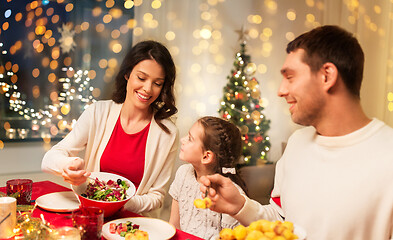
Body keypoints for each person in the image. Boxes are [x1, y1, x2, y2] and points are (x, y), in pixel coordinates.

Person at [199, 25, 393, 240]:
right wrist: (240, 206)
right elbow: (283, 222)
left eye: (290, 77)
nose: (281, 90)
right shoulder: (297, 143)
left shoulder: (388, 156)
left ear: (326, 76)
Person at [41, 40, 179, 217]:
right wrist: (68, 166)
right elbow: (49, 159)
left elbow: (157, 197)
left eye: (157, 83)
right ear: (128, 74)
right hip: (92, 219)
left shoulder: (167, 133)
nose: (147, 89)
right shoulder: (98, 112)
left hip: (133, 227)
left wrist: (121, 200)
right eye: (142, 78)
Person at [168, 116, 248, 239]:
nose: (182, 140)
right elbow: (174, 226)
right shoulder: (183, 173)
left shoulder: (231, 194)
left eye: (190, 138)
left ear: (206, 156)